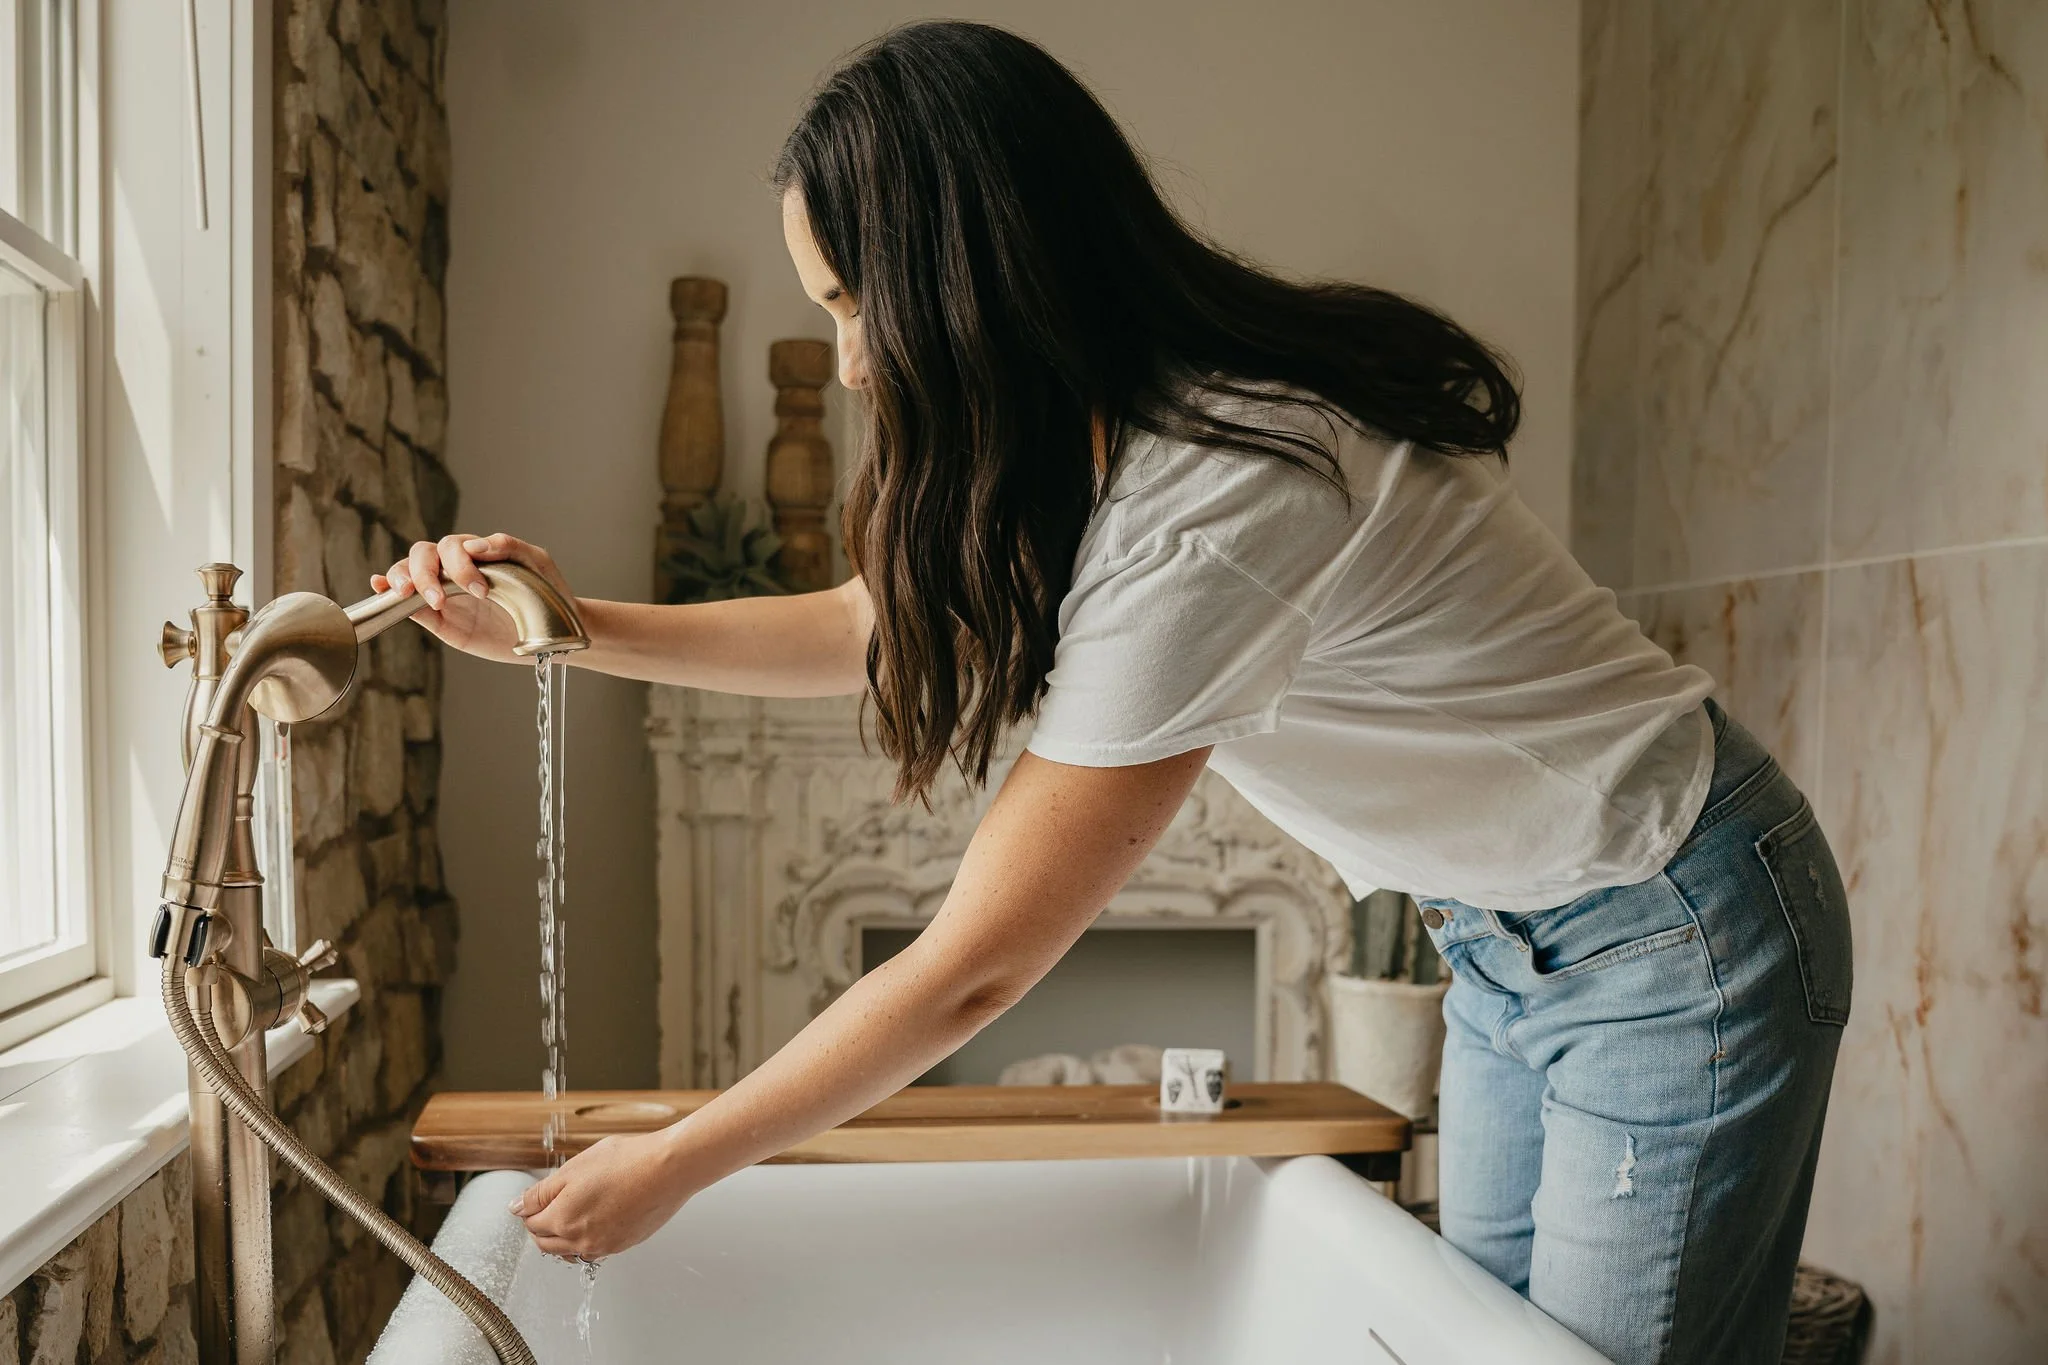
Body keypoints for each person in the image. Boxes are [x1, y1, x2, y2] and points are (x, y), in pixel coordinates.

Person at [374, 21, 1850, 1365]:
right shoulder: (1101, 435)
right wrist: (561, 631)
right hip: (1508, 940)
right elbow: (869, 625)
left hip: (1668, 930)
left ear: (962, 275)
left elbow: (978, 965)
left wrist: (684, 1160)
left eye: (849, 303)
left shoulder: (1217, 495)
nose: (848, 356)